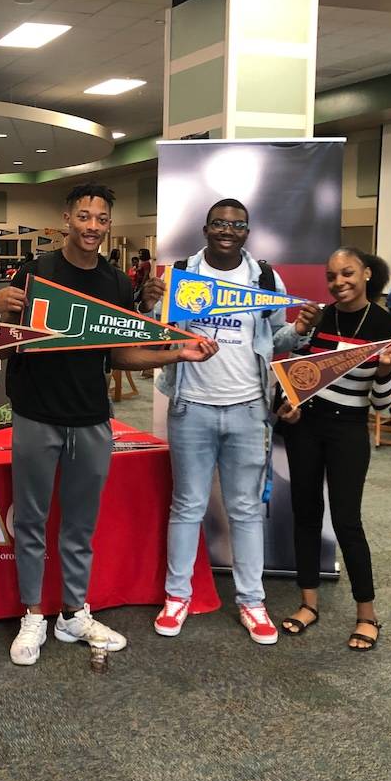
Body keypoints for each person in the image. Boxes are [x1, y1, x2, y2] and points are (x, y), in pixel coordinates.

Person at [0, 184, 215, 666]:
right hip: (36, 415)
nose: (92, 226)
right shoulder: (36, 273)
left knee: (80, 524)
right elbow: (7, 346)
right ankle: (33, 614)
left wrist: (175, 352)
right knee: (29, 521)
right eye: (84, 216)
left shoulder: (115, 284)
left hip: (92, 419)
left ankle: (72, 612)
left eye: (101, 218)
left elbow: (119, 353)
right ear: (66, 218)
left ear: (109, 224)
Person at [139, 198, 318, 643]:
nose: (227, 230)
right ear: (205, 228)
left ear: (247, 232)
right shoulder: (181, 273)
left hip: (248, 409)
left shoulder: (264, 278)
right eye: (219, 223)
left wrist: (299, 332)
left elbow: (274, 338)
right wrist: (146, 303)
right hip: (191, 407)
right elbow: (152, 335)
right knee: (187, 505)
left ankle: (252, 602)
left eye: (236, 225)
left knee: (244, 509)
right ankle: (177, 596)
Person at [275, 249, 391, 650]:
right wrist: (288, 407)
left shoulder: (386, 325)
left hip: (349, 431)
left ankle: (367, 614)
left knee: (347, 521)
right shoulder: (319, 318)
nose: (339, 282)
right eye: (331, 276)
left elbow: (382, 406)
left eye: (347, 273)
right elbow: (296, 376)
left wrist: (384, 370)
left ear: (367, 273)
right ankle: (308, 603)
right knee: (306, 513)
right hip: (306, 428)